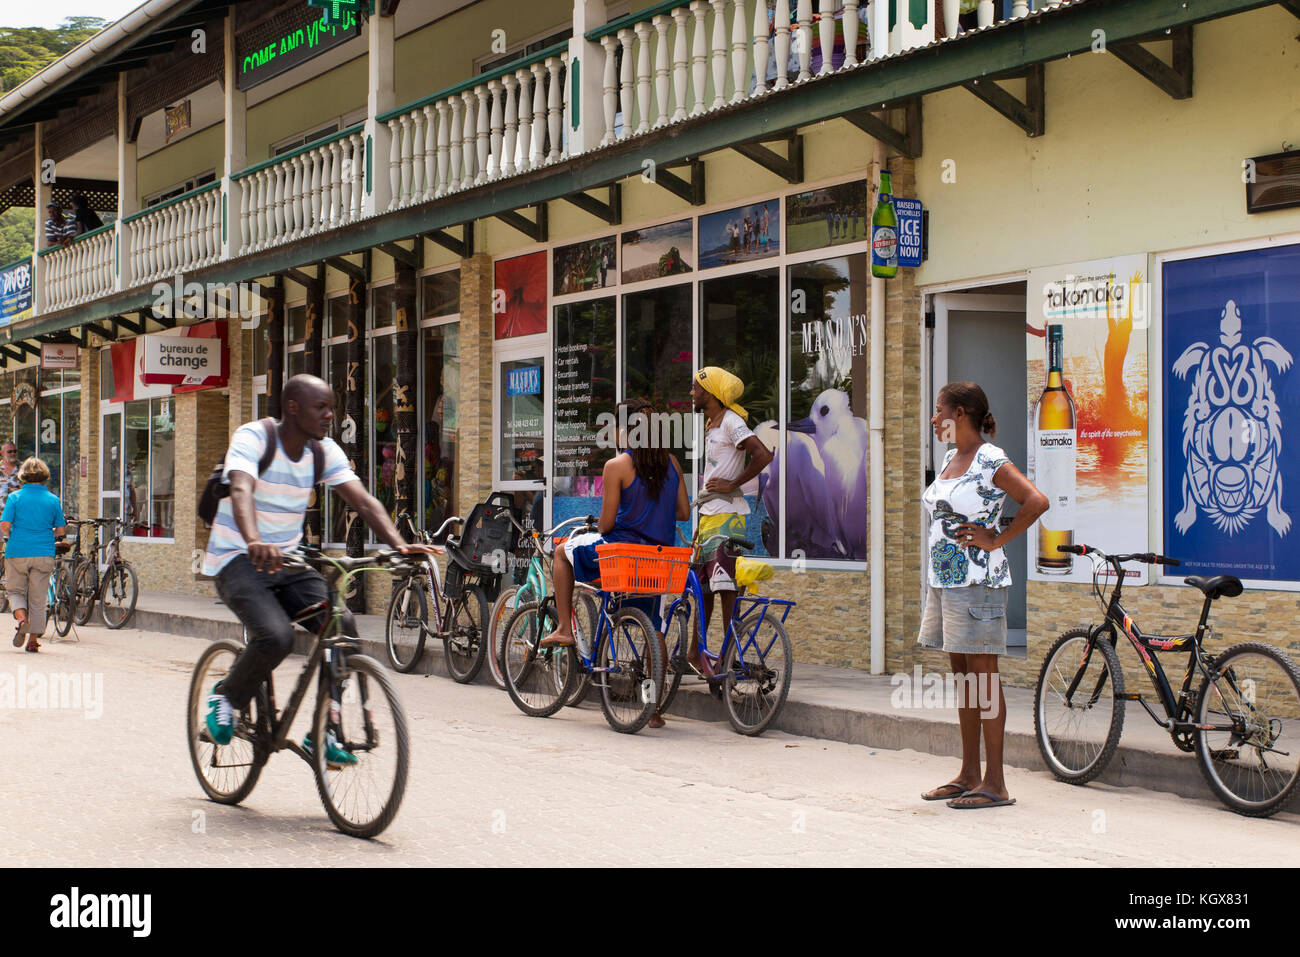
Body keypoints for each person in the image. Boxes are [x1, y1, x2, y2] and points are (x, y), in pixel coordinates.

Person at [203, 375, 434, 762]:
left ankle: (324, 731)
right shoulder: (253, 438)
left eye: (332, 407)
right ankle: (226, 697)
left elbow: (363, 502)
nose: (330, 415)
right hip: (237, 559)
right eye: (321, 407)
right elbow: (241, 488)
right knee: (275, 637)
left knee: (342, 628)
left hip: (289, 562)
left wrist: (398, 544)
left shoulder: (324, 452)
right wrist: (254, 539)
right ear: (292, 407)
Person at [919, 381, 1048, 810]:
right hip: (947, 583)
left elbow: (1035, 500)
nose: (934, 419)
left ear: (960, 413)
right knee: (965, 680)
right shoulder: (950, 458)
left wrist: (998, 538)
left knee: (984, 681)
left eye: (939, 411)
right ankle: (969, 773)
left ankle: (996, 782)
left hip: (979, 584)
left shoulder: (990, 458)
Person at [541, 398, 690, 728]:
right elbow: (684, 513)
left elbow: (606, 525)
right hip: (658, 562)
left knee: (562, 553)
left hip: (621, 554)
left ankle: (565, 628)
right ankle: (654, 708)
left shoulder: (616, 467)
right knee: (656, 635)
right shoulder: (672, 465)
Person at [689, 367, 772, 677]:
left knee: (726, 590)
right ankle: (695, 654)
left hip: (728, 518)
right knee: (705, 590)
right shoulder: (714, 424)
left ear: (711, 393)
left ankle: (727, 655)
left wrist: (732, 484)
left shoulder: (733, 422)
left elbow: (763, 455)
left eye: (696, 388)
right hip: (710, 516)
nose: (692, 393)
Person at [0, 457, 67, 652]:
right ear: (44, 476)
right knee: (38, 598)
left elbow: (5, 524)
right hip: (43, 552)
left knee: (14, 591)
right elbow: (61, 530)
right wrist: (48, 533)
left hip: (17, 551)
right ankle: (33, 640)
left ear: (23, 476)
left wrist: (9, 536)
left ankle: (22, 620)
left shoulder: (15, 497)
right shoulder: (53, 500)